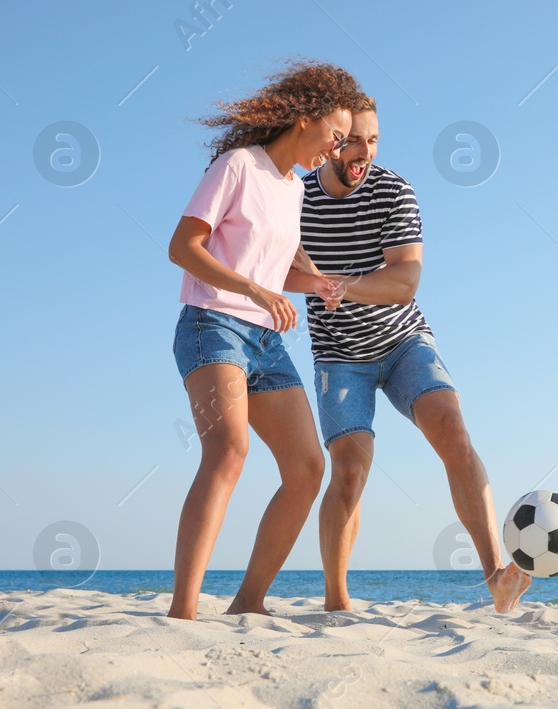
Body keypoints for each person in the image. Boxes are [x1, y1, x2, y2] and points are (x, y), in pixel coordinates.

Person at [281, 96, 531, 613]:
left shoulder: (394, 190)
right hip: (338, 354)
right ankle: (336, 601)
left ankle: (495, 578)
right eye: (352, 140)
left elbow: (404, 281)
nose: (362, 152)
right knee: (349, 469)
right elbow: (275, 266)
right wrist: (308, 278)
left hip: (402, 341)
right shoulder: (294, 196)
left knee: (452, 430)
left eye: (372, 140)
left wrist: (335, 285)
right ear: (329, 139)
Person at [165, 60, 365, 621]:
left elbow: (276, 274)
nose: (337, 148)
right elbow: (184, 247)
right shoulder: (237, 166)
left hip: (265, 341)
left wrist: (320, 284)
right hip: (212, 325)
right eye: (335, 134)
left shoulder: (295, 189)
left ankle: (248, 601)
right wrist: (254, 290)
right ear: (304, 118)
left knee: (306, 467)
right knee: (228, 451)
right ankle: (183, 612)